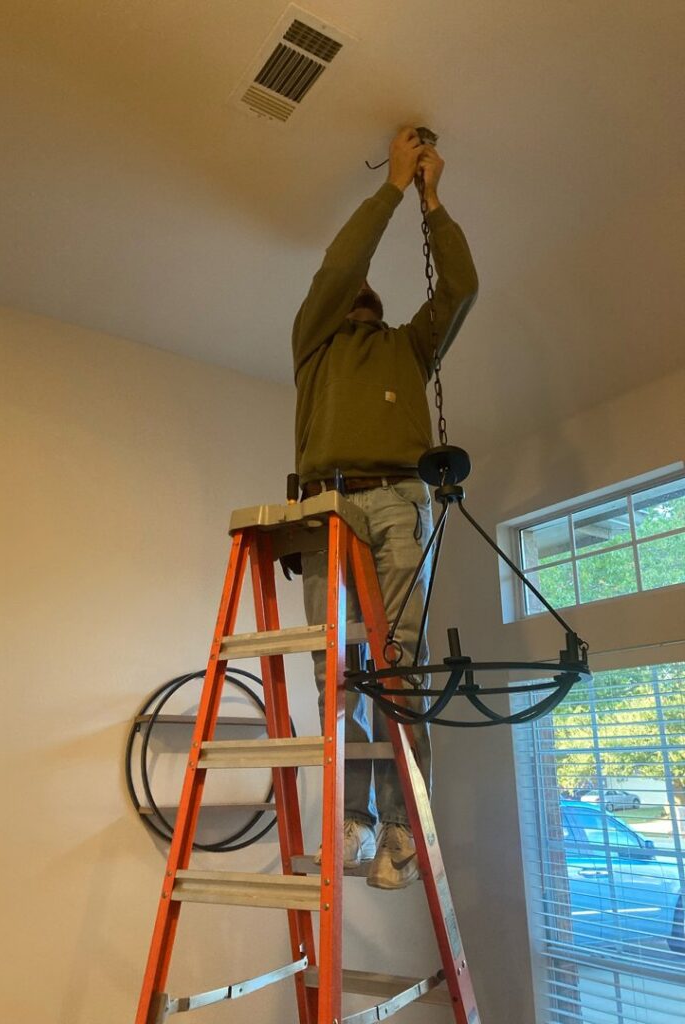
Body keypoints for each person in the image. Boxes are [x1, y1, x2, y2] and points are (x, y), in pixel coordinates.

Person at [292, 126, 478, 889]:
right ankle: (355, 819)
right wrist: (394, 186)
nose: (357, 292)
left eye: (365, 292)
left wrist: (433, 200)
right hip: (326, 505)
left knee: (398, 667)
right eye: (350, 292)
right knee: (337, 671)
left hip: (399, 501)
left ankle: (400, 825)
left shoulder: (408, 346)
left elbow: (460, 288)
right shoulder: (314, 345)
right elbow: (341, 263)